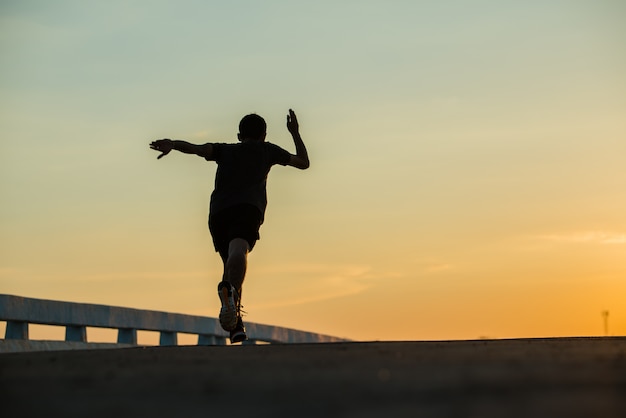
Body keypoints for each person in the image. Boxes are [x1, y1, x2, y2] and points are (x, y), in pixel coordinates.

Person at [149, 109, 309, 343]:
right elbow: (303, 162)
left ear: (239, 135)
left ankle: (235, 324)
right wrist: (295, 133)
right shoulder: (268, 150)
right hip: (248, 209)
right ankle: (232, 303)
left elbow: (197, 148)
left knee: (231, 269)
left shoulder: (226, 149)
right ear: (264, 135)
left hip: (219, 213)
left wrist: (172, 144)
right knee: (238, 253)